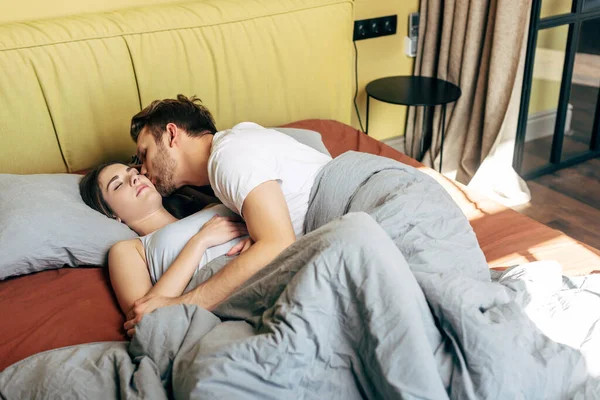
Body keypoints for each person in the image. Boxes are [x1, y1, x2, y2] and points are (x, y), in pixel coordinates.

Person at [124, 94, 331, 331]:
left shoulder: (227, 157)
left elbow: (278, 244)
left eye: (145, 153)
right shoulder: (236, 145)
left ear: (172, 134)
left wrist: (178, 306)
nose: (143, 170)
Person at [80, 161, 250, 336]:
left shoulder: (211, 207)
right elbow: (144, 319)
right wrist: (200, 241)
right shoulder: (129, 249)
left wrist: (257, 238)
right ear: (111, 214)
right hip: (227, 293)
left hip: (264, 259)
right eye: (118, 185)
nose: (134, 179)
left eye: (134, 173)